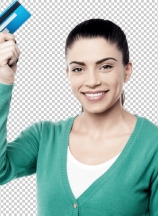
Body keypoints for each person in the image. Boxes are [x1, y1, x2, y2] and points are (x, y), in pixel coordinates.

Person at [0, 19, 157, 216]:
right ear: (68, 74)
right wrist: (2, 81)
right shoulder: (44, 137)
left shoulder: (153, 146)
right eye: (78, 69)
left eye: (105, 66)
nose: (92, 81)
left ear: (127, 70)